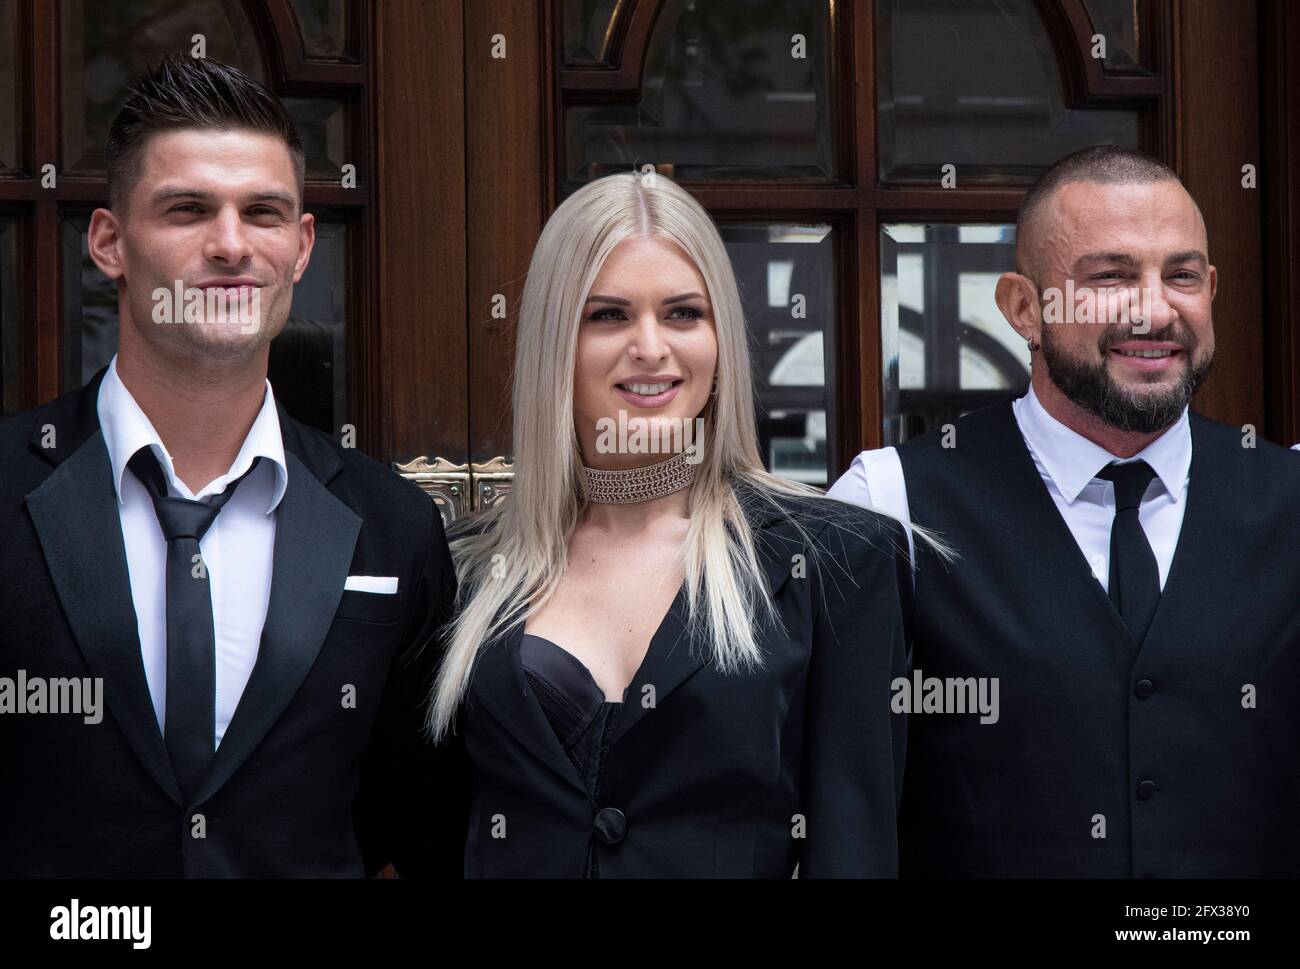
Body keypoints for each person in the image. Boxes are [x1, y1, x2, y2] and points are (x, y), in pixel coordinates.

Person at [0, 55, 464, 877]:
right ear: (108, 242)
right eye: (187, 209)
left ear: (301, 247)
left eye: (263, 213)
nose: (229, 244)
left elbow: (419, 826)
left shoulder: (392, 528)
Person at [830, 144, 1300, 877]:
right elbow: (844, 820)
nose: (1154, 310)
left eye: (1181, 276)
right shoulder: (890, 507)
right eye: (1110, 277)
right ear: (1024, 307)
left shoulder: (1290, 499)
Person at [429, 170, 913, 877]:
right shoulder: (467, 567)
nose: (650, 347)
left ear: (721, 343)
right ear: (552, 345)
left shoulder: (838, 560)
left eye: (683, 313)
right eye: (609, 315)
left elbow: (855, 850)